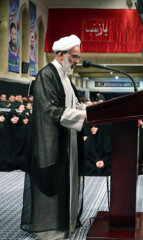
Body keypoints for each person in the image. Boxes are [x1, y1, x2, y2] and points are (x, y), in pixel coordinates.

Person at [21, 35, 87, 239]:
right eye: (74, 57)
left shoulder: (66, 78)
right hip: (51, 141)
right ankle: (50, 230)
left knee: (67, 182)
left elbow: (73, 105)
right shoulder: (46, 76)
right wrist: (85, 115)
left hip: (69, 140)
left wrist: (88, 109)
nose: (77, 61)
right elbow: (51, 109)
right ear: (61, 55)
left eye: (77, 57)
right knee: (53, 182)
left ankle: (67, 223)